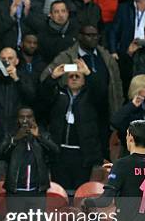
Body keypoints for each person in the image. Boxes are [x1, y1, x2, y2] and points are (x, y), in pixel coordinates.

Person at [39, 60, 104, 192]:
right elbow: (42, 97)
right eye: (71, 76)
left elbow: (101, 91)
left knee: (79, 192)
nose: (74, 78)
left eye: (77, 76)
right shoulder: (58, 93)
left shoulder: (90, 96)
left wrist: (88, 73)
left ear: (84, 80)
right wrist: (52, 78)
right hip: (60, 152)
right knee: (61, 192)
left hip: (82, 153)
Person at [0, 107, 58, 208]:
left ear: (34, 119)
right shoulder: (10, 135)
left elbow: (55, 152)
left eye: (28, 117)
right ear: (17, 119)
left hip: (37, 192)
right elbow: (0, 155)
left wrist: (38, 136)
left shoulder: (43, 135)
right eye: (22, 117)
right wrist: (15, 139)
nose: (25, 120)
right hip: (15, 192)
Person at [0, 46, 35, 136]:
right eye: (3, 59)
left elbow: (31, 98)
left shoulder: (24, 77)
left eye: (10, 58)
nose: (6, 61)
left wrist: (16, 79)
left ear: (17, 61)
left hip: (17, 128)